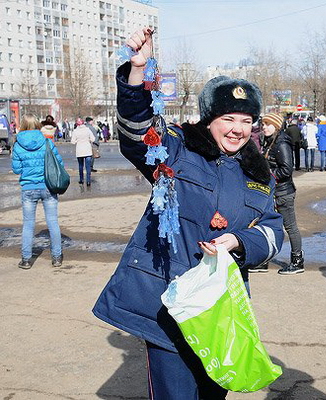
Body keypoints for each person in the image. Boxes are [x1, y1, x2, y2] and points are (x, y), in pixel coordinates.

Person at [92, 27, 284, 400]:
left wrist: (240, 241)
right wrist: (137, 72)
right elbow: (138, 129)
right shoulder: (178, 150)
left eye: (246, 121)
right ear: (210, 119)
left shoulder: (259, 175)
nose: (238, 129)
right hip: (167, 304)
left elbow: (274, 231)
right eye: (229, 119)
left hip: (217, 311)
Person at [252, 113, 304, 275]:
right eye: (263, 124)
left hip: (283, 192)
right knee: (267, 225)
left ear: (276, 126)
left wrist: (265, 172)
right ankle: (264, 260)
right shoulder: (269, 141)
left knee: (290, 226)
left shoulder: (281, 142)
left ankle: (297, 261)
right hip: (271, 191)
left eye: (268, 124)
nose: (264, 127)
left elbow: (286, 170)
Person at [11, 114, 64, 269]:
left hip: (28, 188)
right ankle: (56, 258)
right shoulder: (47, 141)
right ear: (37, 125)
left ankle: (26, 259)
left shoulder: (18, 145)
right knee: (53, 222)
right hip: (48, 186)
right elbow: (58, 162)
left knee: (28, 224)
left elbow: (16, 169)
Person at [70, 118, 95, 186]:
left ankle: (81, 180)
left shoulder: (75, 131)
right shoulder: (87, 130)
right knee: (88, 167)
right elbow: (93, 139)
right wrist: (88, 140)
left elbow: (72, 142)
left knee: (80, 166)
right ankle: (88, 181)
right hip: (87, 150)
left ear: (77, 124)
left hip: (79, 150)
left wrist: (78, 141)